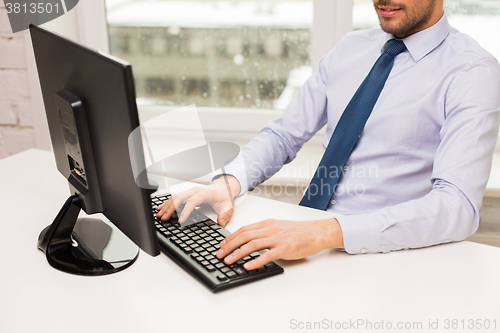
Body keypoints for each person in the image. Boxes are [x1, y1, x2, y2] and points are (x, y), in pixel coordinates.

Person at [156, 0, 500, 270]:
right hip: (307, 242)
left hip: (387, 259)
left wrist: (323, 232)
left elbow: (458, 206)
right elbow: (285, 134)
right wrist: (228, 182)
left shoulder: (471, 72)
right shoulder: (351, 48)